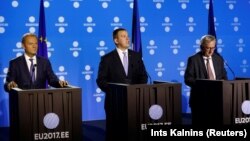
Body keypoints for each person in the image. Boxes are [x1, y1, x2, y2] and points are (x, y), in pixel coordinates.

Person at [96, 28, 148, 139]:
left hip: (134, 102)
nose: (127, 38)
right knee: (115, 133)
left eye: (127, 36)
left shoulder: (136, 56)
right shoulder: (107, 59)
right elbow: (101, 80)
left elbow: (143, 76)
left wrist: (137, 91)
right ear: (116, 40)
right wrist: (114, 92)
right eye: (123, 36)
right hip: (115, 103)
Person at [184, 34, 228, 125]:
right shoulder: (193, 59)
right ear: (201, 47)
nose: (211, 51)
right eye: (208, 48)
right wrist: (203, 85)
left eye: (213, 47)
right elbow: (188, 79)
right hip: (200, 101)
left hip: (218, 100)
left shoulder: (218, 59)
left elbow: (224, 77)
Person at [4, 33, 68, 92]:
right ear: (23, 46)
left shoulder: (44, 62)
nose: (34, 46)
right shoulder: (15, 63)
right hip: (22, 101)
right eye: (31, 44)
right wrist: (9, 85)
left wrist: (60, 83)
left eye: (36, 43)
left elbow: (52, 80)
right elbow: (8, 83)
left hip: (41, 100)